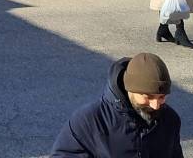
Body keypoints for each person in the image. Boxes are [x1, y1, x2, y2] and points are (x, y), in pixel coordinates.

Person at [50, 53, 182, 158]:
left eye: (162, 97)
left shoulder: (170, 120)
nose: (155, 105)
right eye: (147, 97)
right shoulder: (89, 121)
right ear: (129, 88)